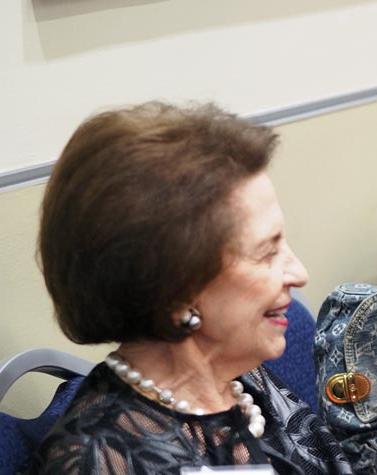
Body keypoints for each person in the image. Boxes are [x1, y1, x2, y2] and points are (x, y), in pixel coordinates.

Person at [31, 102, 352, 474]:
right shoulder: (100, 457)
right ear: (178, 290)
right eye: (267, 252)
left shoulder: (246, 384)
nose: (299, 273)